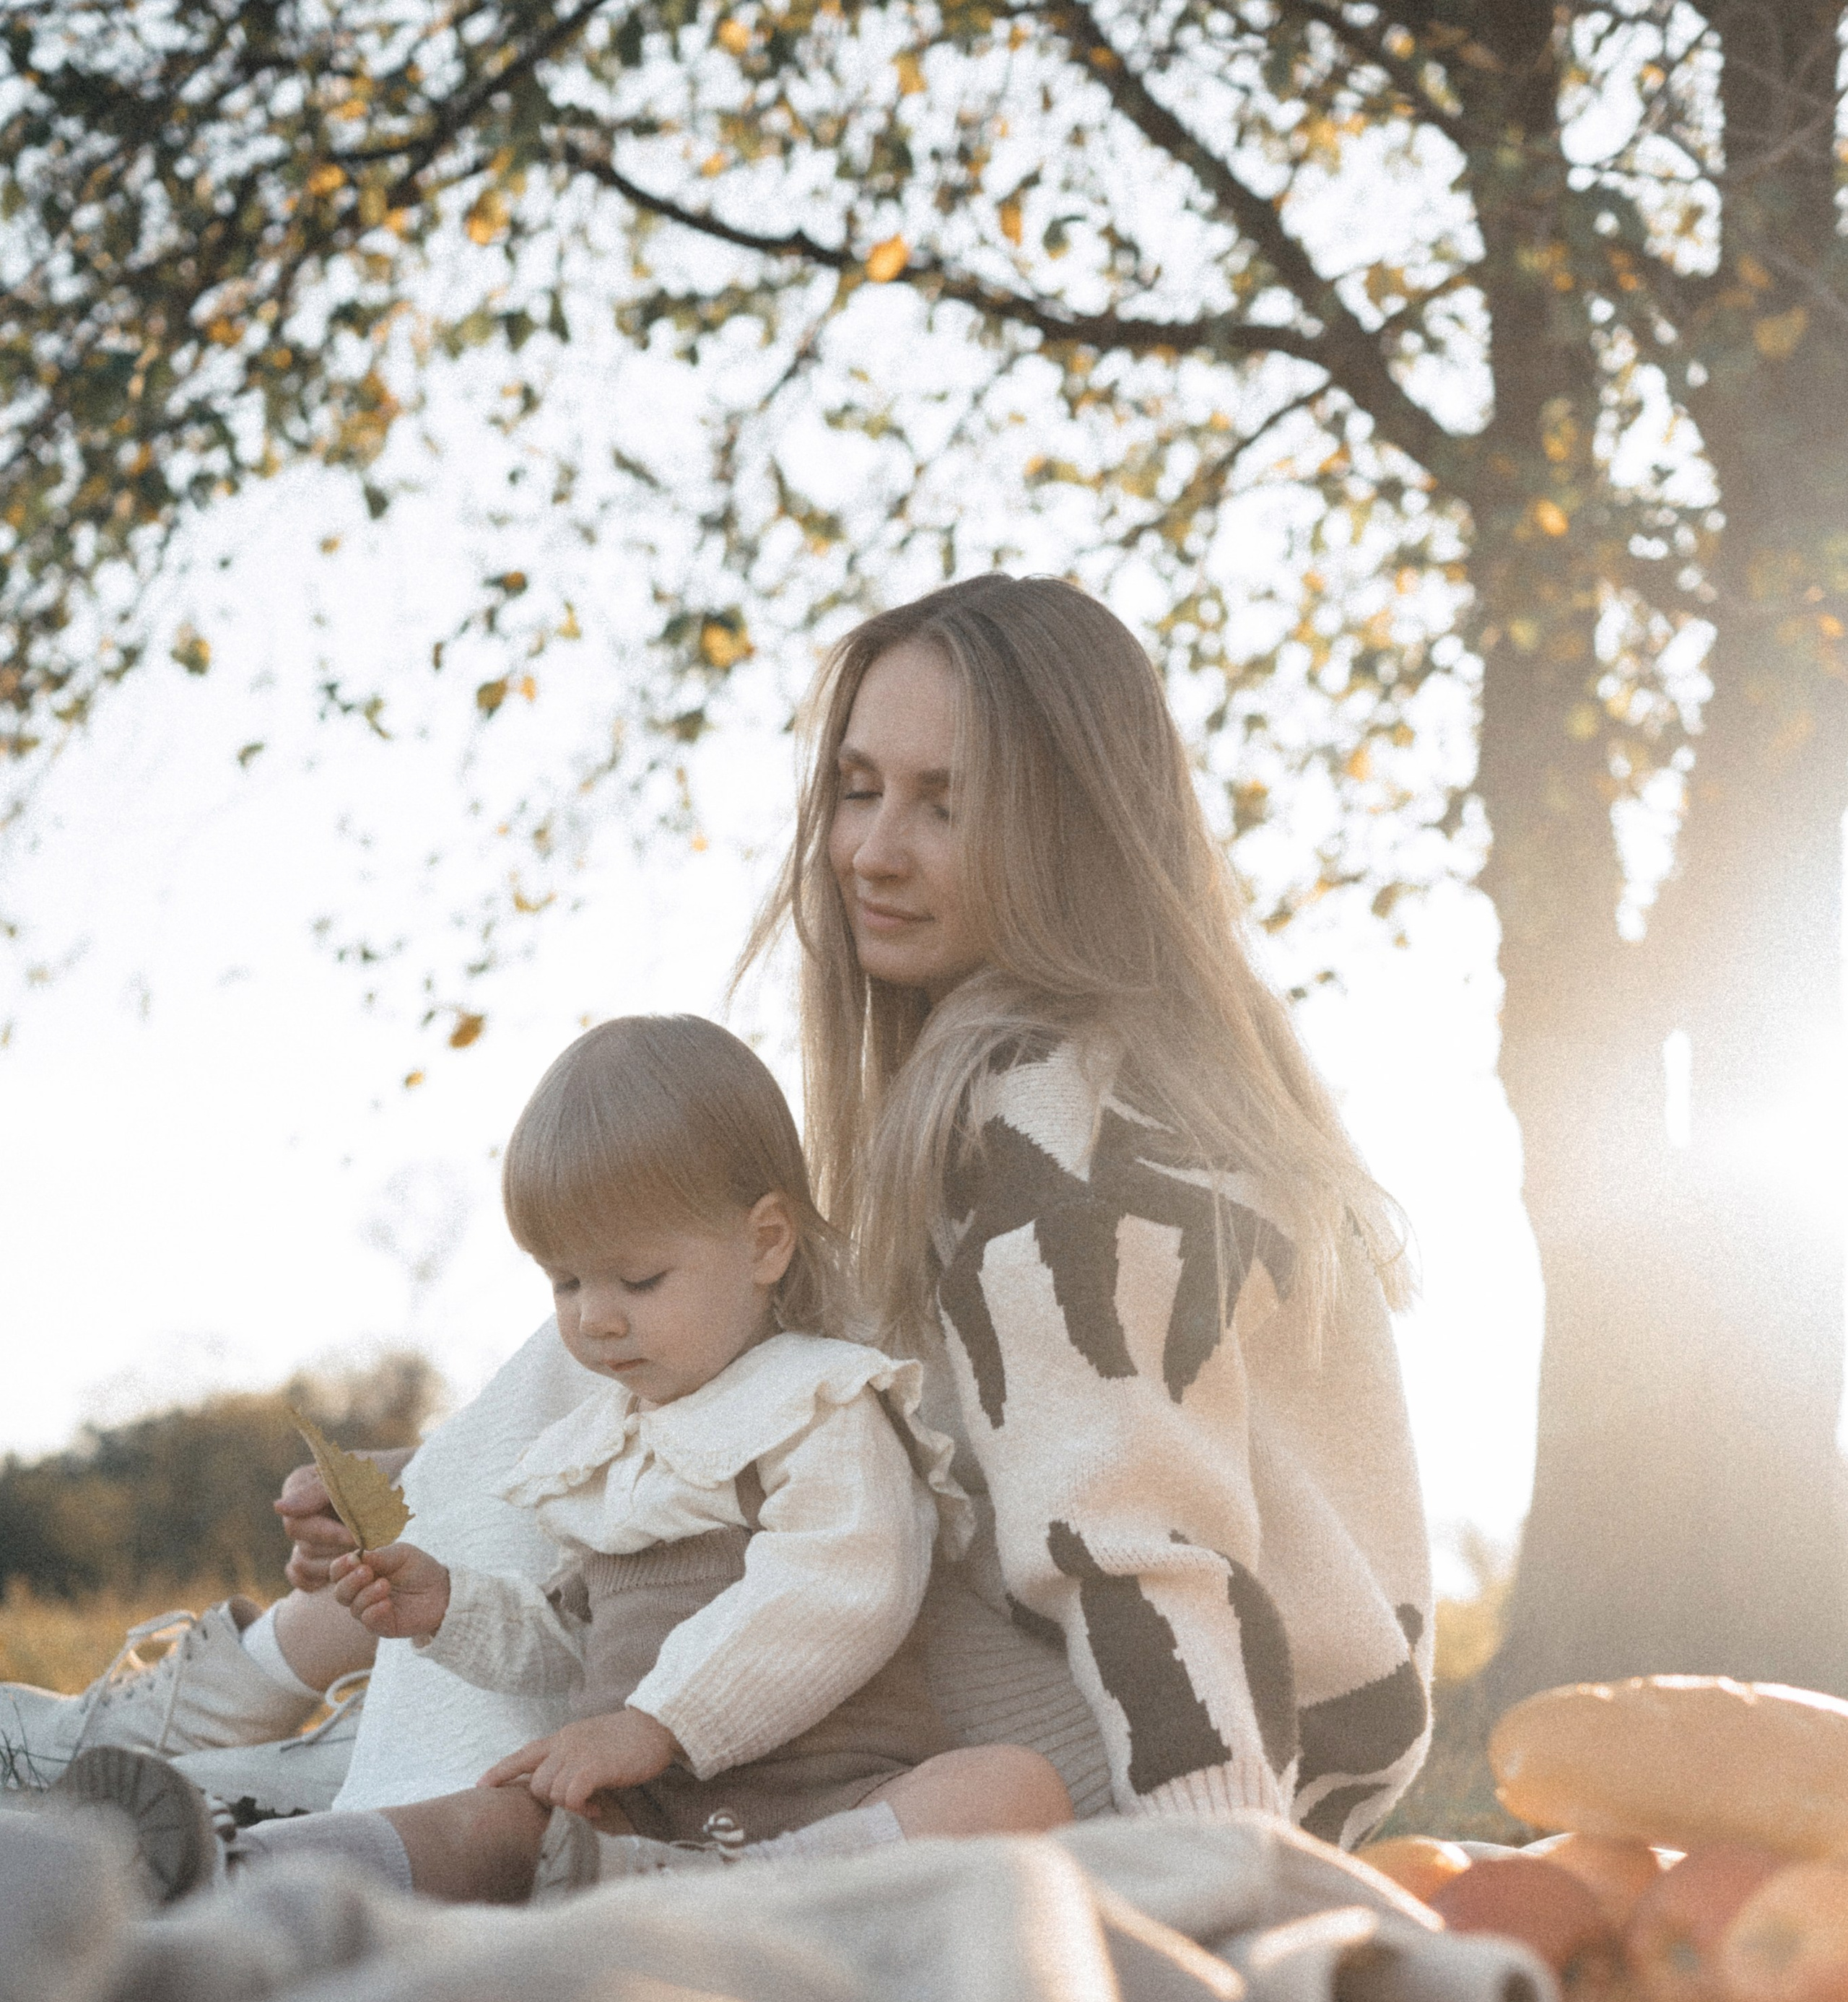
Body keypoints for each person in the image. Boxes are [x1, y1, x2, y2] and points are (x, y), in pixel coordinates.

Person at [6, 574, 1431, 1858]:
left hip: (1141, 1769)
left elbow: (1135, 1554)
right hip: (1131, 1724)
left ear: (1070, 829)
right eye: (857, 789)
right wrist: (443, 1489)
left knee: (638, 1308)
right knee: (675, 1310)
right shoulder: (1117, 1076)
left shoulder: (1059, 1124)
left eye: (945, 803)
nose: (871, 849)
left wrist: (1232, 1873)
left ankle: (254, 1745)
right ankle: (271, 1738)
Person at [245, 1014, 1067, 1899]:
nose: (595, 1317)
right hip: (633, 1811)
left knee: (1014, 1785)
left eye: (638, 1280)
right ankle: (246, 1865)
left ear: (765, 1243)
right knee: (488, 1812)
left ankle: (775, 1879)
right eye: (565, 1281)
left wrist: (658, 1722)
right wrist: (451, 1608)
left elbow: (841, 1587)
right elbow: (584, 1647)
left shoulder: (817, 1401)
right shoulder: (604, 1452)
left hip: (829, 1795)